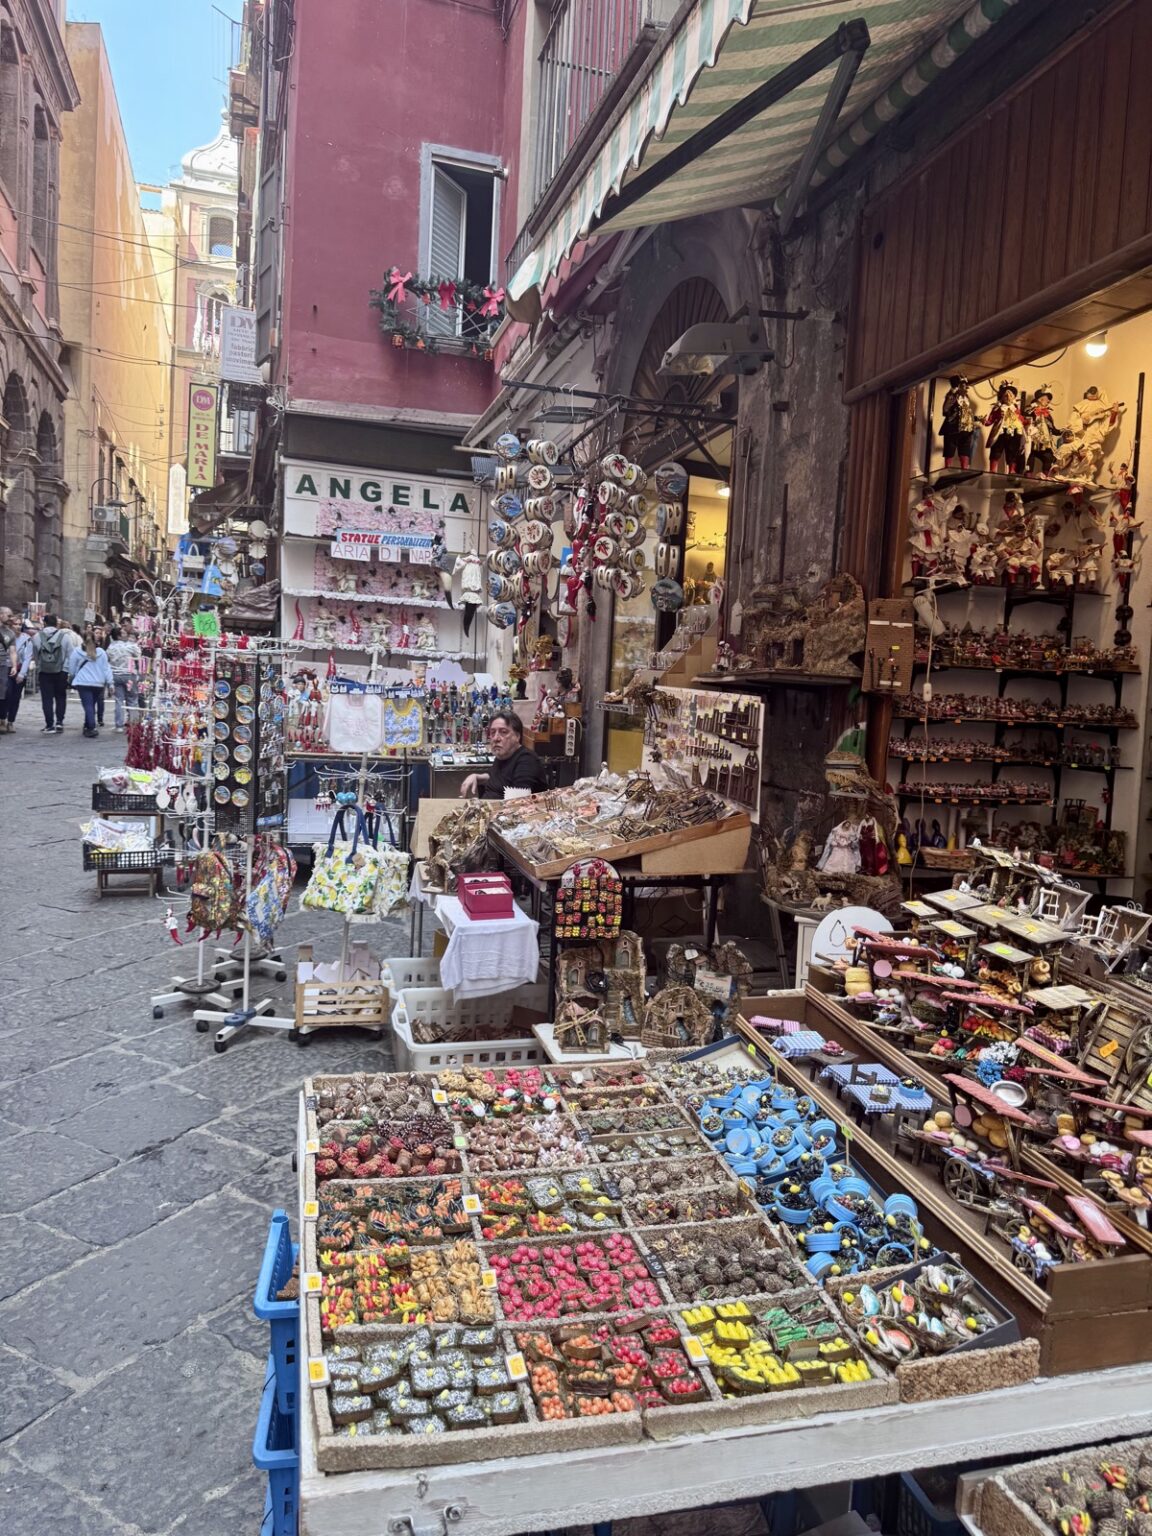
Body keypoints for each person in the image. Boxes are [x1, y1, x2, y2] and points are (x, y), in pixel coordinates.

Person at [460, 711, 548, 799]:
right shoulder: (504, 754)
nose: (495, 738)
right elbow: (499, 778)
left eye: (503, 732)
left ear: (517, 736)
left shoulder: (527, 761)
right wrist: (477, 777)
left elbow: (516, 803)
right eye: (493, 732)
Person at [33, 612, 75, 733]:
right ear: (56, 624)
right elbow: (70, 655)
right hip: (60, 672)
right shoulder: (64, 637)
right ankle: (59, 722)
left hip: (44, 672)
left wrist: (39, 665)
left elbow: (36, 655)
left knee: (47, 699)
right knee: (61, 697)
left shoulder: (37, 637)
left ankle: (49, 724)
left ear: (44, 623)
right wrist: (66, 670)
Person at [66, 633, 113, 738]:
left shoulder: (77, 652)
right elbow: (106, 668)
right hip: (98, 683)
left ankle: (91, 726)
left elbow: (72, 668)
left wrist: (73, 676)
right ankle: (87, 725)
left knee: (88, 705)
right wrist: (110, 683)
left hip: (83, 682)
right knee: (91, 704)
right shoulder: (101, 653)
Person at [105, 624, 141, 731]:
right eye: (124, 633)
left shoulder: (110, 648)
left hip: (115, 675)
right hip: (129, 675)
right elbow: (139, 654)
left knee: (119, 700)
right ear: (120, 636)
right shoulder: (130, 646)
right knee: (132, 699)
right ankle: (134, 723)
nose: (126, 634)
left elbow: (107, 660)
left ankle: (119, 725)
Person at [4, 622, 33, 731]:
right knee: (6, 694)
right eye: (14, 624)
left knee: (15, 697)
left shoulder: (26, 639)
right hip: (5, 669)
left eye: (18, 624)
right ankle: (2, 718)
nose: (17, 626)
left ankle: (11, 721)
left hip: (19, 669)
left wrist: (22, 674)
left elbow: (27, 657)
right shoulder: (5, 637)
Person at [0, 607, 17, 731]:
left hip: (2, 666)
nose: (10, 618)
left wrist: (14, 665)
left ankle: (2, 720)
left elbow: (12, 651)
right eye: (8, 615)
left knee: (2, 694)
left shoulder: (10, 633)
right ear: (1, 615)